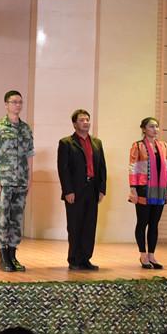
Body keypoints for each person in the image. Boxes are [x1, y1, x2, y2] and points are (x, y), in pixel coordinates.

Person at [0, 90, 34, 272]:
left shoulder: (25, 129)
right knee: (2, 219)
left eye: (20, 102)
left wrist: (30, 178)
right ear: (6, 104)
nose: (17, 105)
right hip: (3, 181)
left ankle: (13, 255)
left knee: (17, 219)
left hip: (21, 181)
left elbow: (29, 155)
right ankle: (3, 256)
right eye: (14, 102)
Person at [57, 109, 107, 271]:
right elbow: (63, 169)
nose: (85, 122)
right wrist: (68, 191)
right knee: (75, 225)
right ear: (74, 124)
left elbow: (102, 167)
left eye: (87, 120)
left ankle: (85, 259)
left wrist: (102, 189)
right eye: (81, 120)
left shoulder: (97, 142)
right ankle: (74, 259)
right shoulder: (66, 143)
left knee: (89, 225)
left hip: (92, 189)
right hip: (75, 191)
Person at [128, 116, 167, 270]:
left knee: (154, 223)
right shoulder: (137, 145)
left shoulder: (163, 145)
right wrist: (133, 188)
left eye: (156, 126)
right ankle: (143, 254)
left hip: (160, 189)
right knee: (143, 222)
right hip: (143, 188)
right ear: (144, 129)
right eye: (151, 126)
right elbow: (133, 167)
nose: (155, 129)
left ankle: (152, 255)